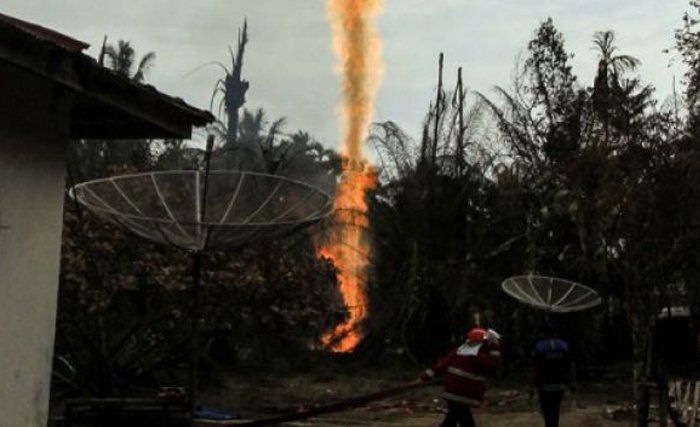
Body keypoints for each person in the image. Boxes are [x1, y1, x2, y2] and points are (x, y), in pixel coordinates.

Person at [419, 327, 501, 427]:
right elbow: (492, 367)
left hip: (452, 392)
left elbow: (440, 367)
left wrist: (424, 377)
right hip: (464, 394)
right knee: (462, 422)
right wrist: (494, 348)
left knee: (453, 420)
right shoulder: (478, 356)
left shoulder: (458, 351)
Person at [532, 322, 574, 427]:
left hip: (544, 385)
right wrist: (571, 381)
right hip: (560, 384)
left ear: (543, 333)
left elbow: (535, 367)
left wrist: (532, 383)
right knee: (556, 409)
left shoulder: (540, 347)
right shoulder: (564, 345)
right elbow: (570, 365)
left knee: (547, 410)